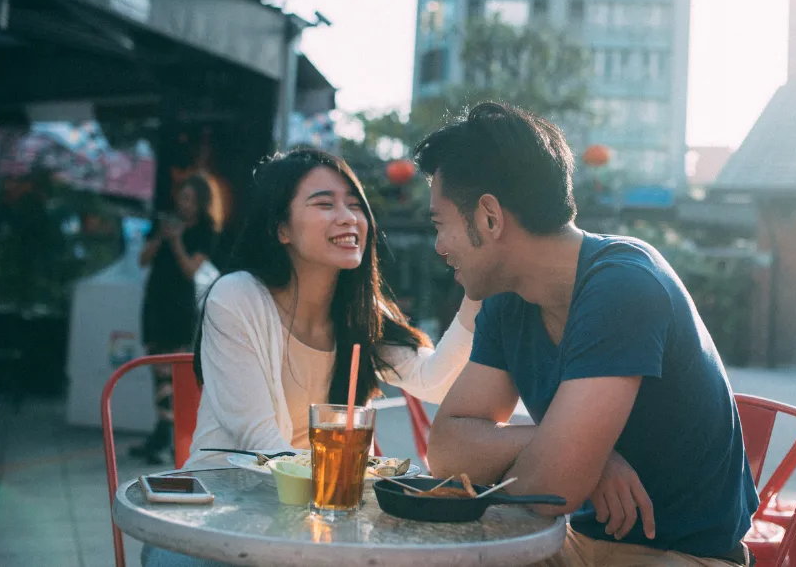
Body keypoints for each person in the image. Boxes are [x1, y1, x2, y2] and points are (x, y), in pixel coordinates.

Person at [416, 103, 759, 567]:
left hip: (683, 556)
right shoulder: (506, 298)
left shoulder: (623, 285)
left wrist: (567, 459)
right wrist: (574, 451)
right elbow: (445, 450)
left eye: (441, 225)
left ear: (489, 218)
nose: (439, 247)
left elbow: (548, 489)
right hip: (573, 544)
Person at [142, 148, 478, 567]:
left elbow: (435, 381)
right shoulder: (237, 298)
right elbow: (261, 443)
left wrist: (475, 294)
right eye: (325, 204)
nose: (348, 217)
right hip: (220, 514)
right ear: (282, 228)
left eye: (355, 205)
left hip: (316, 520)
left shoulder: (362, 312)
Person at [131, 174, 219, 465]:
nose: (184, 204)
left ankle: (166, 438)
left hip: (180, 307)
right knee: (159, 374)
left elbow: (191, 271)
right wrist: (161, 237)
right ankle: (162, 436)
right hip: (156, 303)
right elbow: (142, 260)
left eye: (190, 199)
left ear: (201, 203)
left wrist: (177, 241)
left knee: (174, 374)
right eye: (182, 197)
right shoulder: (163, 223)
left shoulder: (206, 230)